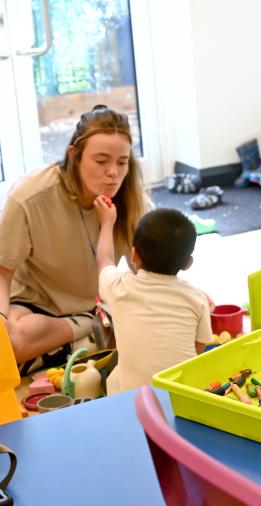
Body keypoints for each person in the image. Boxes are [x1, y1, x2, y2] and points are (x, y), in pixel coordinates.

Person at [0, 105, 149, 372]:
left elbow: (146, 269)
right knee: (8, 343)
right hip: (38, 307)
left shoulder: (132, 198)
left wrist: (178, 293)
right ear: (74, 156)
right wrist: (1, 320)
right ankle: (91, 335)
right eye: (101, 161)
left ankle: (75, 345)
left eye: (122, 162)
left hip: (98, 304)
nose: (113, 172)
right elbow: (2, 273)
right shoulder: (28, 196)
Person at [93, 204, 213, 394]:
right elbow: (198, 350)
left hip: (131, 401)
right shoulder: (197, 299)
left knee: (113, 373)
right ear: (187, 264)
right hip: (180, 400)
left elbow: (104, 261)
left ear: (133, 255)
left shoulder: (119, 287)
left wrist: (107, 222)